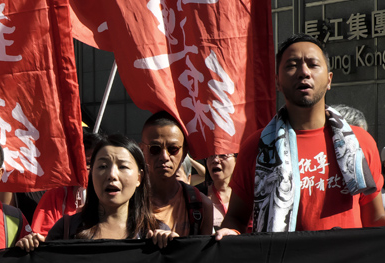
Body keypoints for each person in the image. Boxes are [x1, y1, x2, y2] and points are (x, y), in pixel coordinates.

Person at [217, 33, 385, 237]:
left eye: (313, 64)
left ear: (329, 79)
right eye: (292, 65)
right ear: (277, 82)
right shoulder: (257, 147)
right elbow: (236, 218)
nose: (304, 72)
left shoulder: (360, 143)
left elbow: (375, 219)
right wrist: (229, 232)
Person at [18, 134, 177, 250]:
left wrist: (173, 249)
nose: (112, 175)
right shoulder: (66, 229)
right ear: (91, 174)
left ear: (139, 178)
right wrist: (29, 249)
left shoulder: (157, 233)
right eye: (102, 166)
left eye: (123, 167)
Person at [140, 111, 214, 236]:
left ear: (184, 152)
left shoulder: (202, 205)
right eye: (155, 149)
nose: (164, 157)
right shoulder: (127, 202)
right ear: (142, 150)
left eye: (173, 149)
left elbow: (204, 255)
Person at [31, 130, 97, 237]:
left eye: (101, 165)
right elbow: (41, 241)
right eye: (84, 163)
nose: (86, 170)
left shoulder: (113, 198)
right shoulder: (55, 196)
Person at [199, 153, 238, 229]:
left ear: (236, 160)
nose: (215, 160)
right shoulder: (198, 196)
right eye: (210, 155)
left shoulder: (249, 196)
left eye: (223, 155)